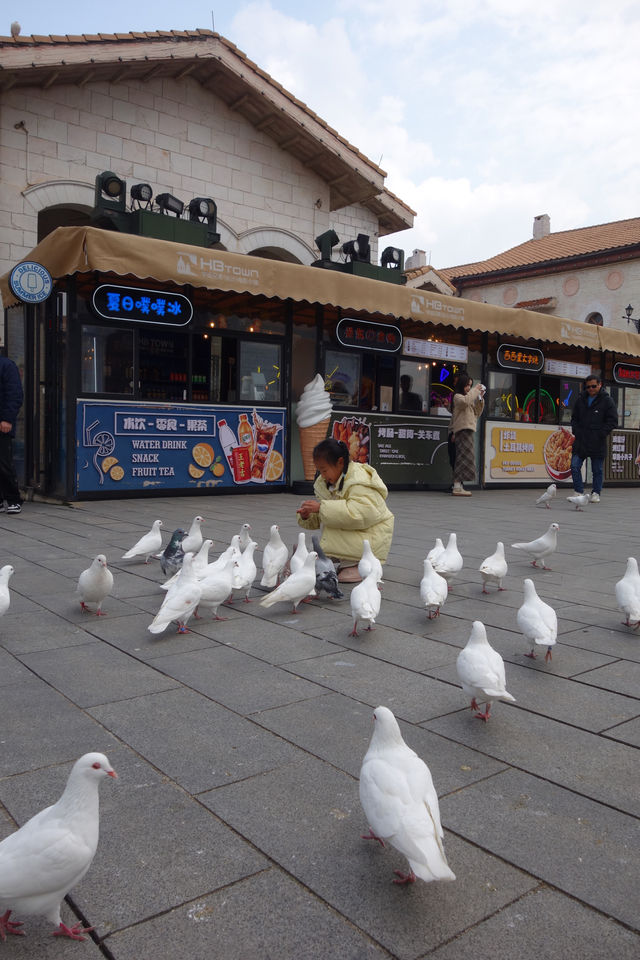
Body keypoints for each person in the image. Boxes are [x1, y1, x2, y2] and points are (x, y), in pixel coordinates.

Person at [296, 437, 394, 582]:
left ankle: (358, 564)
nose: (322, 475)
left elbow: (360, 514)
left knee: (335, 570)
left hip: (370, 535)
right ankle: (342, 560)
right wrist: (309, 515)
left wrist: (321, 507)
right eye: (319, 471)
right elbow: (328, 514)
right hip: (350, 535)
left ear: (340, 462)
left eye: (324, 470)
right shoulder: (327, 482)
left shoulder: (360, 480)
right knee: (311, 556)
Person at [570, 374, 618, 503]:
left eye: (593, 386)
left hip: (597, 441)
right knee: (574, 466)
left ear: (600, 385)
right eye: (588, 387)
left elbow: (613, 421)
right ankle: (578, 491)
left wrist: (600, 434)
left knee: (597, 469)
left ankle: (596, 492)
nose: (590, 389)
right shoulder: (580, 399)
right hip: (581, 440)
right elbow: (574, 418)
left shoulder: (607, 401)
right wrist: (576, 430)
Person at [449, 374, 485, 497]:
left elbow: (477, 412)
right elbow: (465, 402)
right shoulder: (457, 397)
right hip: (462, 429)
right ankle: (457, 486)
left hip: (468, 429)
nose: (469, 388)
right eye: (467, 385)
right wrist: (475, 391)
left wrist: (480, 398)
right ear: (462, 385)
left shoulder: (469, 397)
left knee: (465, 458)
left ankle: (458, 486)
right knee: (462, 458)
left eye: (470, 385)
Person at [0, 354, 24, 514]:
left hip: (1, 423)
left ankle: (14, 499)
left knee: (3, 462)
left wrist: (7, 419)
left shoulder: (7, 365)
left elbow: (15, 394)